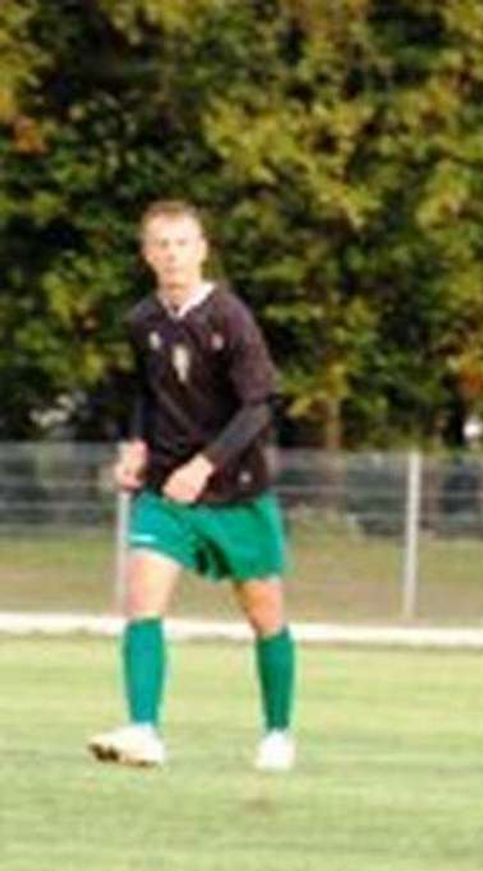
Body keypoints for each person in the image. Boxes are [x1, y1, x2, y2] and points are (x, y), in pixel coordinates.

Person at [88, 200, 297, 773]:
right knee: (141, 599)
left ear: (202, 249)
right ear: (147, 254)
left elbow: (259, 407)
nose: (173, 254)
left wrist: (204, 466)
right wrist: (136, 445)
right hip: (166, 491)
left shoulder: (230, 317)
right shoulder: (141, 321)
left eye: (183, 243)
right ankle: (143, 729)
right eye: (162, 244)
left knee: (264, 615)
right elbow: (145, 393)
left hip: (236, 491)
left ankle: (278, 731)